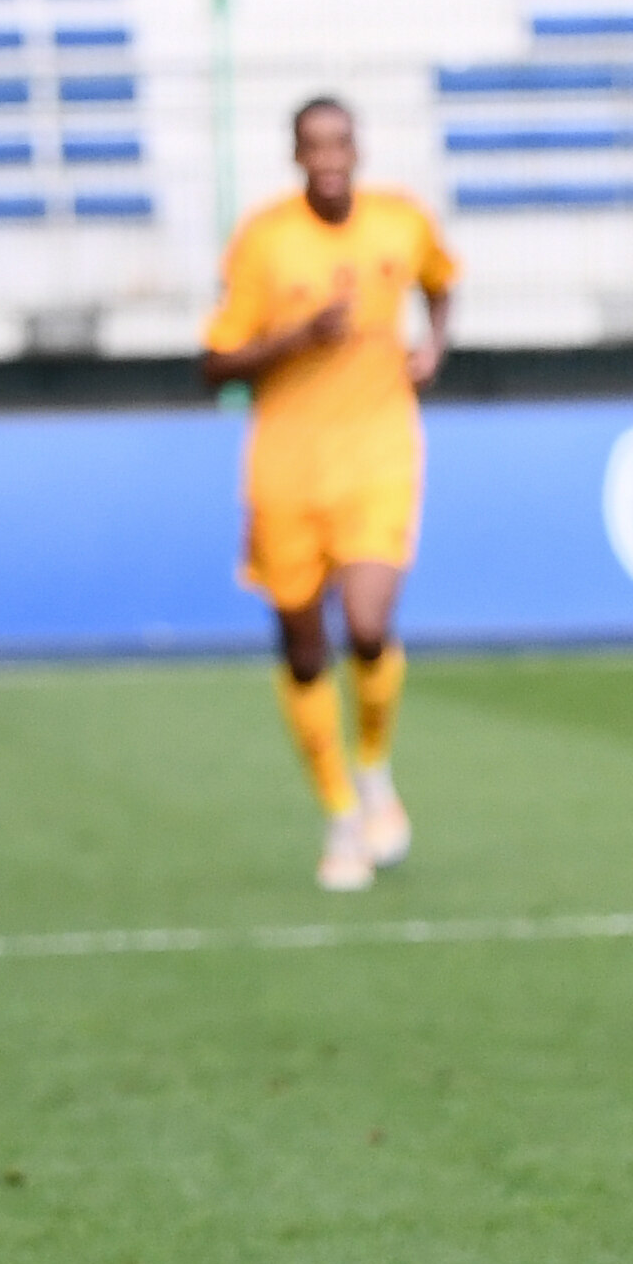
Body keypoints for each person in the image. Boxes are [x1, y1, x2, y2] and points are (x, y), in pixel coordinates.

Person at [202, 97, 460, 892]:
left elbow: (441, 284)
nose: (328, 158)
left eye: (340, 143)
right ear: (293, 154)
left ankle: (374, 767)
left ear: (359, 147)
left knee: (370, 623)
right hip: (285, 468)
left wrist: (434, 343)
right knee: (305, 649)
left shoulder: (401, 224)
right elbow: (214, 365)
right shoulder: (266, 240)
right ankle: (341, 810)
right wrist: (296, 339)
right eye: (313, 146)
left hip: (380, 453)